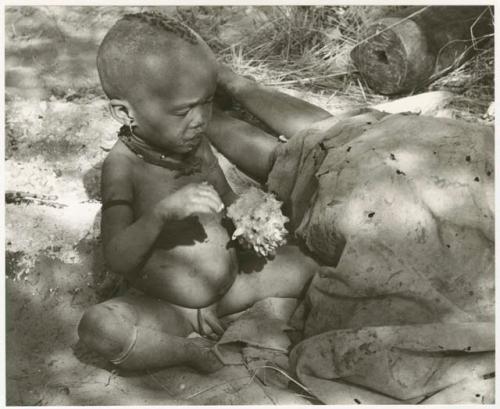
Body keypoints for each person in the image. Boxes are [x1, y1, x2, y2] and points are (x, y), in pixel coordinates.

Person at [77, 12, 327, 373]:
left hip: (233, 284)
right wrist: (161, 214)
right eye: (183, 110)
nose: (200, 120)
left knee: (317, 261)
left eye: (207, 102)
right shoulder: (124, 167)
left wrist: (250, 220)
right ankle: (184, 351)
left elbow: (225, 196)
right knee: (100, 327)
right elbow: (117, 257)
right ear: (124, 112)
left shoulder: (194, 144)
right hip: (170, 306)